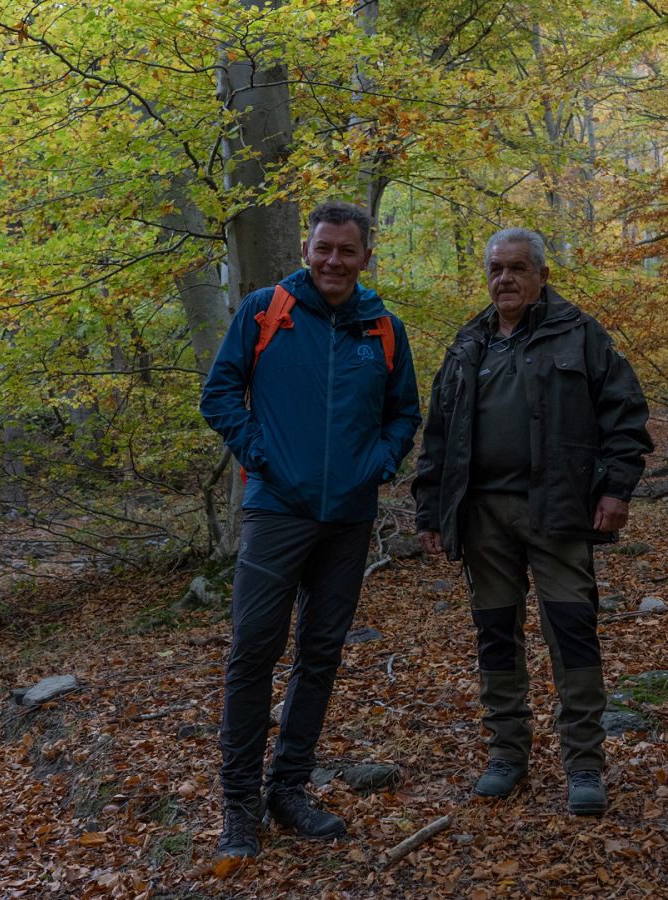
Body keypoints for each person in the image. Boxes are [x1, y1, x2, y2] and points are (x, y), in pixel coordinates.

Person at [199, 201, 421, 859]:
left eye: (345, 251)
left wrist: (378, 464)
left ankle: (288, 788)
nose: (332, 261)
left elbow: (404, 413)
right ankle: (239, 805)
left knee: (320, 655)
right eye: (323, 248)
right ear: (306, 248)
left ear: (365, 257)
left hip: (348, 518)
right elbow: (219, 394)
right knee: (252, 653)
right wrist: (261, 455)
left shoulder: (382, 327)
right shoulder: (267, 311)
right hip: (275, 513)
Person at [414, 228, 652, 817]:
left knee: (571, 630)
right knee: (496, 632)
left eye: (518, 268)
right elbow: (438, 436)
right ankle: (506, 753)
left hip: (559, 510)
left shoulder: (581, 334)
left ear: (542, 275)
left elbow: (626, 415)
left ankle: (585, 763)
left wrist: (616, 488)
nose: (506, 279)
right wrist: (430, 510)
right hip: (481, 516)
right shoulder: (468, 344)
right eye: (496, 269)